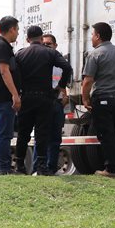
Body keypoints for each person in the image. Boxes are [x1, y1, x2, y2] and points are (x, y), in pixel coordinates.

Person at [14, 26, 72, 175]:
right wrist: (60, 86)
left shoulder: (20, 54)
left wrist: (18, 89)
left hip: (26, 96)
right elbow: (67, 67)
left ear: (27, 39)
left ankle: (19, 165)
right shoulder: (50, 52)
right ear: (41, 38)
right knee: (42, 133)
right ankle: (41, 166)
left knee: (23, 133)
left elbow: (13, 73)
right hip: (45, 97)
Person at [80, 21, 115, 178]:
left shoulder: (95, 54)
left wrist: (85, 99)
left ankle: (111, 169)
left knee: (105, 134)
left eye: (92, 34)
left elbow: (88, 81)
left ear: (98, 36)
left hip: (103, 98)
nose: (92, 38)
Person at [0, 16, 22, 174]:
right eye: (17, 30)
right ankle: (4, 168)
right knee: (4, 134)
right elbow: (4, 70)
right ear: (12, 29)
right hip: (3, 96)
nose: (18, 33)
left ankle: (0, 167)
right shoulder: (2, 46)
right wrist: (15, 94)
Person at [41, 33, 70, 174]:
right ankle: (39, 168)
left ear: (55, 46)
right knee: (41, 137)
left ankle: (51, 168)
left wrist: (65, 94)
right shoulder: (39, 61)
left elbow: (66, 79)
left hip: (57, 103)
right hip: (43, 102)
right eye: (44, 44)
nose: (46, 46)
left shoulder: (60, 62)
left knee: (55, 138)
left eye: (49, 44)